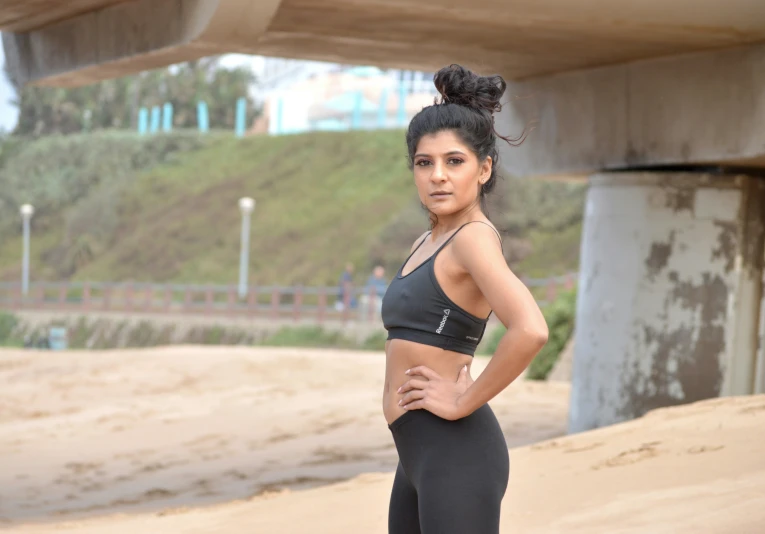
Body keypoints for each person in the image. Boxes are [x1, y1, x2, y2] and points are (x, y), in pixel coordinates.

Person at [380, 64, 549, 534]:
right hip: (416, 454)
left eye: (454, 161)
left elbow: (531, 329)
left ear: (484, 168)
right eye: (424, 162)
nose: (438, 176)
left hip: (456, 450)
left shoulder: (473, 238)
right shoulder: (428, 240)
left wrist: (463, 402)